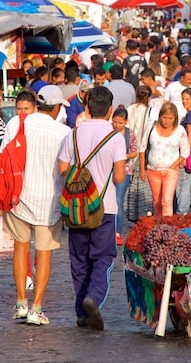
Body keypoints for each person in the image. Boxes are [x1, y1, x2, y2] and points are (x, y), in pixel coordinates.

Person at [57, 86, 127, 331]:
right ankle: (93, 297)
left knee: (79, 260)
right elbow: (119, 177)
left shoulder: (73, 135)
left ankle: (81, 312)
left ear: (86, 108)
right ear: (110, 110)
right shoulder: (115, 138)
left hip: (76, 206)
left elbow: (62, 169)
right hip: (104, 207)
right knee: (103, 256)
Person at [3, 85, 71, 326]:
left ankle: (21, 303)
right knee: (44, 254)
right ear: (56, 107)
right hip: (48, 201)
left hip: (18, 197)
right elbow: (66, 168)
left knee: (20, 248)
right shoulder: (64, 132)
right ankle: (36, 308)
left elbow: (3, 157)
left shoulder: (16, 123)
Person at [139, 102, 189, 217]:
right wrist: (142, 169)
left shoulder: (180, 130)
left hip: (170, 171)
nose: (167, 121)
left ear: (175, 118)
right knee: (157, 202)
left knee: (166, 201)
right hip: (153, 170)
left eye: (170, 118)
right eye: (164, 117)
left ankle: (167, 225)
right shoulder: (151, 126)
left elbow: (185, 151)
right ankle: (158, 225)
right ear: (160, 116)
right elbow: (142, 148)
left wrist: (174, 166)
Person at [112, 107, 139, 245]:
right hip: (108, 169)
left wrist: (123, 156)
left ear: (126, 122)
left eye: (120, 123)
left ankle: (117, 231)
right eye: (115, 122)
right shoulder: (108, 131)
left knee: (118, 200)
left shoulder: (129, 134)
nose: (117, 125)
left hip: (124, 169)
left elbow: (134, 151)